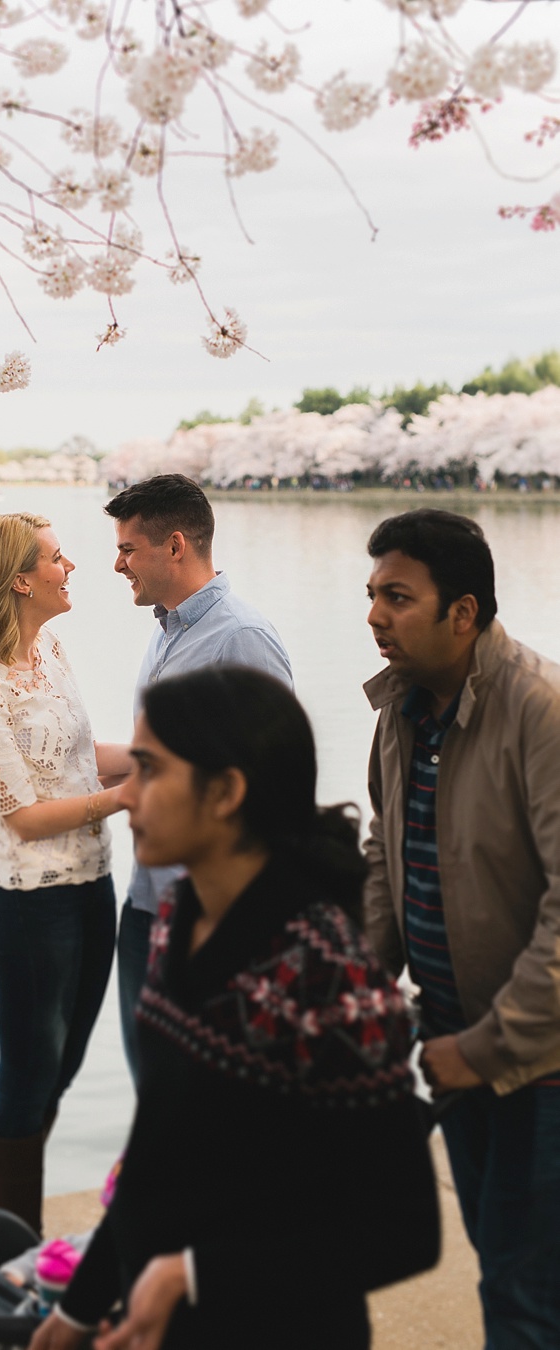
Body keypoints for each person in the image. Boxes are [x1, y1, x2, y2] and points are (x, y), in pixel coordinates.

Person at [30, 666, 440, 1350]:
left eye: (152, 772)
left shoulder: (325, 974)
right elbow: (158, 1150)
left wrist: (192, 1274)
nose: (127, 796)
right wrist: (79, 1307)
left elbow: (403, 1231)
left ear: (225, 792)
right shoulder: (178, 917)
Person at [363, 508, 560, 1347]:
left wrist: (485, 1048)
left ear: (464, 612)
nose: (375, 614)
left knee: (525, 1297)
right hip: (450, 1048)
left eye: (398, 597)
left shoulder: (539, 711)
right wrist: (362, 987)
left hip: (538, 1066)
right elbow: (385, 854)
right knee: (508, 1272)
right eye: (371, 595)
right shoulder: (399, 712)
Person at [0, 512, 131, 1234]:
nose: (71, 567)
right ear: (22, 579)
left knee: (64, 1064)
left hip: (92, 887)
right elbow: (21, 815)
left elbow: (81, 759)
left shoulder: (50, 652)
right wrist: (127, 798)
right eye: (57, 558)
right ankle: (8, 1245)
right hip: (29, 908)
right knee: (28, 1073)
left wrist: (156, 755)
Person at [104, 474, 293, 1078]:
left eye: (128, 549)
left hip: (209, 918)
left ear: (176, 545)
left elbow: (276, 783)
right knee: (156, 1095)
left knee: (209, 1102)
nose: (117, 564)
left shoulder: (240, 638)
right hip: (147, 904)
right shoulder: (166, 634)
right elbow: (150, 761)